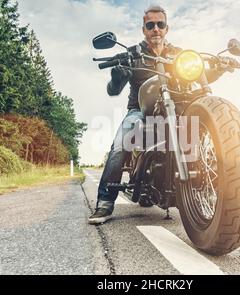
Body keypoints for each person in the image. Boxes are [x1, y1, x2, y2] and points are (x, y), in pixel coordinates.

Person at [88, 5, 181, 224]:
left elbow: (201, 74)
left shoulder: (179, 54)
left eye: (160, 24)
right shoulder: (132, 54)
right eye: (151, 25)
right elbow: (113, 90)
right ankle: (105, 203)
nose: (156, 29)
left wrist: (218, 66)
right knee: (122, 142)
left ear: (167, 28)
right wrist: (117, 77)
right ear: (144, 29)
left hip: (174, 109)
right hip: (140, 110)